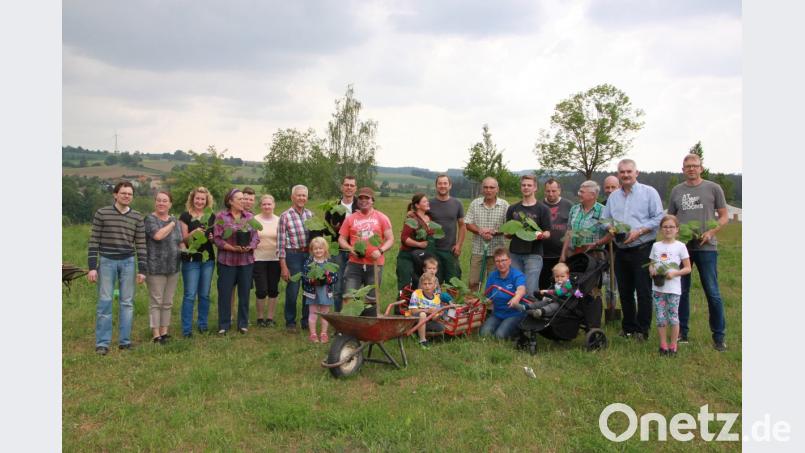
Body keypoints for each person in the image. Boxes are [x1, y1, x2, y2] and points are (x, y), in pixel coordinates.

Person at [668, 153, 729, 351]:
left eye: (695, 166)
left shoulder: (713, 188)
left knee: (712, 292)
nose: (691, 169)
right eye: (688, 166)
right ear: (683, 170)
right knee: (681, 291)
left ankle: (719, 337)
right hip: (682, 248)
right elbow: (671, 218)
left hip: (707, 247)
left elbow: (724, 216)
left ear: (701, 168)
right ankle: (682, 333)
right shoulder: (677, 191)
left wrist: (711, 232)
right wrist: (674, 236)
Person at [601, 159, 665, 340]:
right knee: (625, 290)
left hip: (642, 248)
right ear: (618, 174)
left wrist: (639, 231)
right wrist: (611, 228)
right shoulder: (613, 197)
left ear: (636, 173)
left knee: (643, 290)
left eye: (629, 171)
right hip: (621, 249)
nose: (626, 175)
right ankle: (628, 327)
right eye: (622, 172)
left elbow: (658, 217)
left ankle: (642, 330)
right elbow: (605, 219)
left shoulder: (649, 192)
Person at [87, 181, 147, 355]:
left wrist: (142, 269)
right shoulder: (102, 213)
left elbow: (141, 244)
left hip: (128, 262)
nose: (127, 196)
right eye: (123, 193)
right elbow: (94, 240)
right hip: (106, 262)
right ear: (115, 195)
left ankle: (125, 342)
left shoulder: (137, 217)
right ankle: (102, 343)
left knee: (127, 303)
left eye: (130, 194)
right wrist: (92, 267)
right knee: (105, 301)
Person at [338, 187, 394, 313]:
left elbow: (390, 239)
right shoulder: (351, 218)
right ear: (357, 200)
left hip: (375, 264)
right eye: (361, 198)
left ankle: (369, 322)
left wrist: (380, 251)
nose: (363, 200)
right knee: (349, 296)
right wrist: (350, 248)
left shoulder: (381, 217)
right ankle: (348, 323)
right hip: (354, 264)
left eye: (367, 198)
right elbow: (341, 239)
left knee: (371, 298)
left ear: (372, 200)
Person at [213, 189, 259, 335]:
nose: (243, 201)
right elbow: (217, 239)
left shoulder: (249, 217)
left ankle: (243, 324)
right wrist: (232, 248)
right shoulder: (221, 217)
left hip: (246, 261)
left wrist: (249, 246)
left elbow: (255, 237)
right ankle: (224, 325)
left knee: (244, 294)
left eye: (244, 199)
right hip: (227, 261)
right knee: (225, 294)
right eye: (239, 199)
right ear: (230, 201)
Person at [648, 215, 692, 356]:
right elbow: (651, 264)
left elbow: (688, 268)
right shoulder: (656, 246)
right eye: (665, 227)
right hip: (658, 288)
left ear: (677, 229)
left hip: (673, 289)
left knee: (673, 317)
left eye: (671, 227)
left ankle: (673, 345)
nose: (668, 229)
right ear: (661, 229)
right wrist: (652, 270)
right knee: (660, 317)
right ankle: (663, 345)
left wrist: (675, 273)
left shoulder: (680, 246)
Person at [143, 191, 183, 344]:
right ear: (155, 202)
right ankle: (156, 334)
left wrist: (186, 250)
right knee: (156, 301)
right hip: (155, 267)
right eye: (159, 200)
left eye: (165, 201)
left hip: (173, 266)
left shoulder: (175, 220)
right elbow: (158, 236)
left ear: (170, 204)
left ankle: (164, 332)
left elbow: (179, 241)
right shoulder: (150, 219)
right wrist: (171, 224)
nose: (161, 203)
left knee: (167, 302)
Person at [505, 174, 552, 297]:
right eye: (523, 185)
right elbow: (508, 233)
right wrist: (508, 233)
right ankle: (517, 310)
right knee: (516, 288)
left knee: (531, 290)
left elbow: (548, 232)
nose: (526, 187)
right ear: (521, 187)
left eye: (529, 185)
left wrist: (542, 235)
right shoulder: (512, 208)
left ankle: (531, 309)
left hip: (534, 254)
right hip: (515, 253)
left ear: (535, 188)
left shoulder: (543, 209)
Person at [179, 187, 216, 338]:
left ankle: (203, 325)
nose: (200, 201)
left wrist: (213, 238)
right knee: (189, 295)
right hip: (191, 259)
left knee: (205, 294)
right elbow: (184, 240)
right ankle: (187, 329)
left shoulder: (211, 216)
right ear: (192, 199)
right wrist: (193, 233)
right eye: (197, 198)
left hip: (207, 259)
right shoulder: (185, 216)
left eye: (202, 199)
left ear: (207, 201)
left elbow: (213, 239)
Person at [278, 185, 314, 332]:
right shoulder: (285, 216)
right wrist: (283, 266)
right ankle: (290, 321)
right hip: (292, 255)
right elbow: (280, 243)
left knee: (308, 289)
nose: (301, 198)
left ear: (307, 198)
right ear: (292, 197)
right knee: (293, 290)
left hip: (309, 256)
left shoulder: (310, 215)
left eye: (304, 195)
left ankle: (306, 321)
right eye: (298, 195)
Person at [464, 177, 509, 291]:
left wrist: (495, 232)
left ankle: (490, 303)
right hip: (478, 249)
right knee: (473, 282)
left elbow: (509, 227)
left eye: (492, 187)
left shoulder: (504, 205)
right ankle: (474, 302)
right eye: (486, 187)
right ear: (482, 189)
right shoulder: (475, 203)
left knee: (494, 283)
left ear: (497, 189)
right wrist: (480, 231)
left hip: (497, 251)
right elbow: (468, 223)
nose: (488, 190)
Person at [325, 176, 359, 312]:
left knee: (352, 286)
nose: (349, 188)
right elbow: (327, 227)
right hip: (337, 250)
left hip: (355, 251)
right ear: (342, 187)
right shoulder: (333, 206)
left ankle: (351, 315)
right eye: (346, 185)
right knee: (338, 286)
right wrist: (335, 229)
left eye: (352, 185)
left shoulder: (360, 206)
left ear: (355, 188)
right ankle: (339, 315)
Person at [480, 248, 528, 339]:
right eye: (497, 261)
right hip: (497, 314)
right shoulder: (492, 276)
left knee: (500, 336)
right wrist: (478, 301)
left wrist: (516, 298)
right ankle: (501, 326)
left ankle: (519, 331)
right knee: (484, 334)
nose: (501, 264)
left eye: (503, 260)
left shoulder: (517, 275)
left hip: (514, 314)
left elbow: (521, 289)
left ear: (510, 261)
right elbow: (488, 297)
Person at [429, 174, 466, 283]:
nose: (442, 186)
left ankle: (451, 296)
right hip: (433, 250)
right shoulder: (429, 204)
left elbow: (462, 225)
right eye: (440, 183)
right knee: (433, 283)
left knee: (453, 283)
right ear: (436, 186)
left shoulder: (457, 203)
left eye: (445, 183)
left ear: (450, 186)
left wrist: (459, 245)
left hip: (451, 251)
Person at [397, 193, 437, 291]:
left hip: (421, 257)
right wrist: (419, 244)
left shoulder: (429, 217)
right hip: (408, 256)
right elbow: (404, 238)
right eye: (424, 201)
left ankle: (419, 300)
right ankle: (402, 301)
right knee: (406, 285)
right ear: (417, 205)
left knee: (421, 283)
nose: (428, 203)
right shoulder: (412, 219)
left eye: (427, 201)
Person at [560, 180, 608, 262]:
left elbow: (611, 234)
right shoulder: (574, 209)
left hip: (594, 255)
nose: (579, 194)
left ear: (593, 195)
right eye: (579, 191)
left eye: (582, 192)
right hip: (573, 254)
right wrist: (563, 254)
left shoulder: (603, 211)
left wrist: (597, 243)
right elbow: (569, 232)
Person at [302, 237, 339, 344]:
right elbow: (305, 277)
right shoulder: (309, 262)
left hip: (326, 292)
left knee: (325, 314)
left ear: (325, 249)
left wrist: (328, 279)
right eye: (315, 249)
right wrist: (312, 280)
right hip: (312, 292)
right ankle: (313, 334)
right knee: (313, 313)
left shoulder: (329, 263)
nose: (318, 251)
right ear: (312, 250)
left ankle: (324, 333)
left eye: (320, 248)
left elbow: (335, 277)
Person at [538, 178, 573, 290]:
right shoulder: (539, 205)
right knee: (543, 285)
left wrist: (566, 252)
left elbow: (571, 229)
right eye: (548, 191)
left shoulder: (569, 205)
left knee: (562, 286)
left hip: (561, 254)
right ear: (544, 191)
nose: (551, 194)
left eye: (554, 191)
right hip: (542, 254)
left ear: (559, 191)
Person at [253, 194, 280, 328]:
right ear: (260, 206)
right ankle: (260, 318)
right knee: (261, 290)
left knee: (273, 289)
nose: (267, 206)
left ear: (274, 205)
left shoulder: (279, 220)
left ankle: (270, 318)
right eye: (264, 204)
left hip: (275, 259)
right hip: (258, 259)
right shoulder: (254, 220)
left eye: (269, 204)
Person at [408, 272, 446, 348]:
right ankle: (422, 340)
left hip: (427, 320)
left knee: (441, 328)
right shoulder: (416, 293)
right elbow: (413, 311)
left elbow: (434, 318)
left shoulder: (436, 299)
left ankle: (419, 332)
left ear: (435, 286)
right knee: (423, 314)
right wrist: (428, 310)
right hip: (414, 318)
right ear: (421, 285)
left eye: (430, 284)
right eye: (425, 284)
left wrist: (440, 315)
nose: (427, 286)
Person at [600, 175, 620, 310]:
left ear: (619, 187)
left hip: (622, 248)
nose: (610, 190)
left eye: (613, 187)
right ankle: (610, 308)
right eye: (607, 187)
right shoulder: (602, 206)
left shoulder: (624, 204)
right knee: (608, 283)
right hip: (606, 249)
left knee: (620, 282)